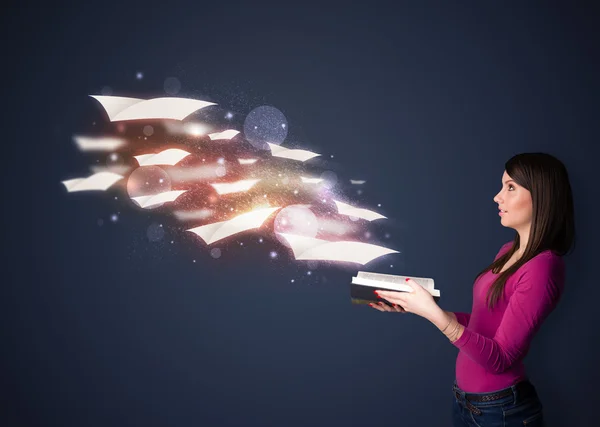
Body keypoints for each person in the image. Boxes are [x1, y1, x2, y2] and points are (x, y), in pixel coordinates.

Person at [370, 152, 575, 427]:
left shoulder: (543, 267)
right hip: (466, 402)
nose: (497, 197)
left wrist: (435, 317)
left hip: (501, 411)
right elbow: (485, 325)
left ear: (542, 196)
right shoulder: (508, 251)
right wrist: (422, 308)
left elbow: (500, 358)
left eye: (510, 187)